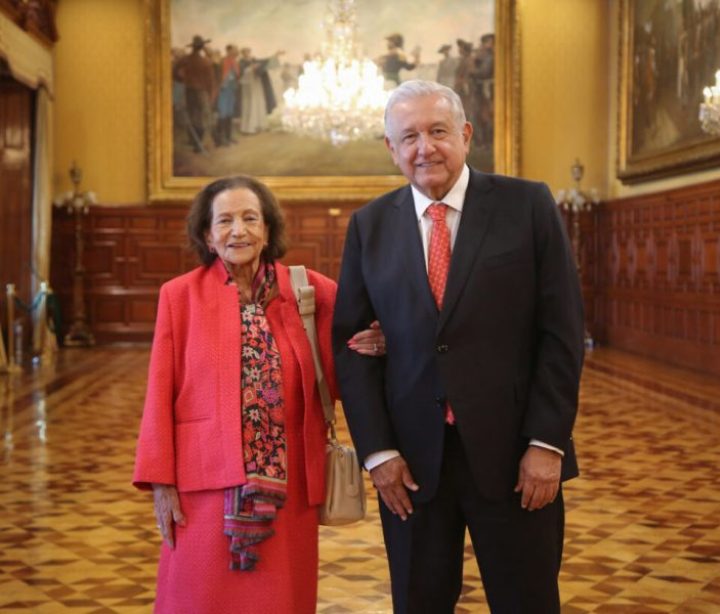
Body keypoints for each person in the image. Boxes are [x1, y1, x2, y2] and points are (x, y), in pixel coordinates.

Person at [332, 80, 584, 613]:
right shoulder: (369, 226)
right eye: (409, 137)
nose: (425, 148)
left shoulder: (527, 205)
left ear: (466, 135)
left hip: (517, 457)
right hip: (410, 466)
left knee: (528, 602)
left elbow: (561, 333)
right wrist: (378, 453)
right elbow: (351, 348)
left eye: (438, 131)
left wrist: (547, 443)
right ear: (391, 148)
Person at [133, 175, 385, 613]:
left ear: (267, 231)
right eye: (225, 221)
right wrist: (161, 482)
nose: (239, 230)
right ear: (207, 235)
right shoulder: (179, 297)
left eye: (251, 218)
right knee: (198, 598)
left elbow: (352, 359)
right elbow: (159, 393)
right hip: (202, 485)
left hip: (291, 486)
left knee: (279, 599)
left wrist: (380, 343)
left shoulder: (309, 292)